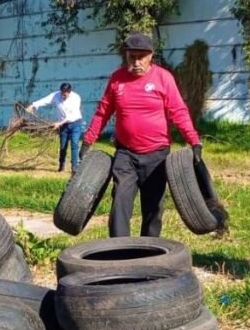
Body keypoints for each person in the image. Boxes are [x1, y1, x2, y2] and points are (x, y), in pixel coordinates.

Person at [81, 32, 202, 238]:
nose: (136, 62)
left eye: (141, 57)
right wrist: (88, 140)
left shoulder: (163, 78)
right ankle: (119, 250)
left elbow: (178, 111)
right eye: (132, 56)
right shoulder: (117, 79)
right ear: (126, 56)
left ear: (150, 56)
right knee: (120, 200)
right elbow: (103, 112)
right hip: (126, 153)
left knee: (153, 206)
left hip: (157, 154)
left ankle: (149, 249)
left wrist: (194, 141)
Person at [28, 82, 84, 172]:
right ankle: (61, 165)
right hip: (63, 126)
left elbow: (71, 115)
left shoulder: (76, 98)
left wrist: (59, 123)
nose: (63, 96)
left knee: (74, 144)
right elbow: (45, 100)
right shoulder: (56, 95)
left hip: (75, 123)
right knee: (63, 146)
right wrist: (33, 105)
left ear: (70, 92)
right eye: (62, 93)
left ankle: (74, 167)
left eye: (65, 94)